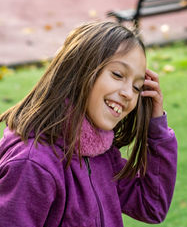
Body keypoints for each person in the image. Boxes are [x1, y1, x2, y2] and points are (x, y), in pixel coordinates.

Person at [0, 21, 177, 226]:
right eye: (118, 75)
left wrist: (157, 127)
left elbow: (151, 206)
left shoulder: (100, 154)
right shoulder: (32, 164)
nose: (128, 93)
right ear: (78, 70)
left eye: (137, 87)